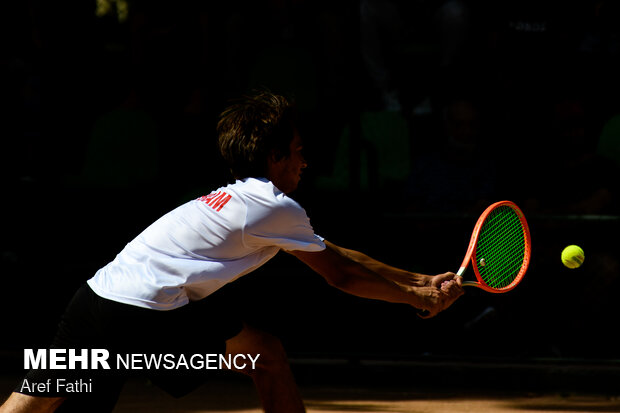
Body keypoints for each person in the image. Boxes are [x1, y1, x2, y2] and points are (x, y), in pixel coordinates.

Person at [0, 91, 464, 413]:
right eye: (298, 152)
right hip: (141, 315)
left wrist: (419, 282)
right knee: (43, 402)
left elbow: (336, 254)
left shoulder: (249, 202)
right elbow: (340, 276)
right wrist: (418, 303)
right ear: (274, 158)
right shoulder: (271, 206)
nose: (305, 162)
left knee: (38, 400)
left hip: (100, 299)